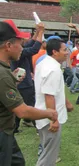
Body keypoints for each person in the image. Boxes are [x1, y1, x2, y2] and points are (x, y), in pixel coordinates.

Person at [0, 20, 57, 166]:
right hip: (2, 132)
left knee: (17, 162)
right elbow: (23, 111)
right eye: (20, 43)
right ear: (8, 45)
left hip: (7, 130)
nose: (21, 47)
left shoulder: (6, 72)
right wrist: (50, 113)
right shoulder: (3, 74)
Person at [34, 38, 74, 166]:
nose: (67, 52)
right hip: (48, 118)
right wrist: (54, 120)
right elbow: (49, 96)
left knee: (48, 152)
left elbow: (55, 90)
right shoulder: (53, 69)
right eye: (64, 50)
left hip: (43, 115)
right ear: (55, 52)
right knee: (48, 156)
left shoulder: (44, 63)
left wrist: (66, 102)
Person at [10, 22, 44, 132]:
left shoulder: (19, 50)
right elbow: (34, 49)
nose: (25, 39)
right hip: (24, 84)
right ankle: (38, 127)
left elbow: (30, 43)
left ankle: (15, 128)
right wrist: (41, 32)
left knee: (18, 105)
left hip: (20, 83)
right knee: (32, 106)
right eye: (22, 39)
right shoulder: (20, 52)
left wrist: (37, 32)